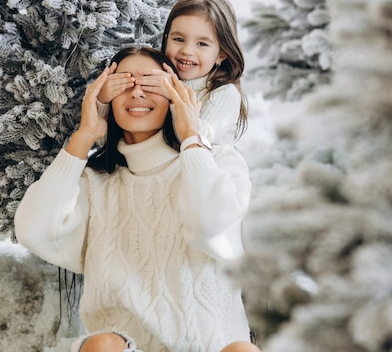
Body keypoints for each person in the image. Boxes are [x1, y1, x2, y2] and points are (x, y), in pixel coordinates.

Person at [15, 47, 261, 352]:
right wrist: (85, 134)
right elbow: (33, 231)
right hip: (126, 346)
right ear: (107, 100)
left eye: (152, 82)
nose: (138, 92)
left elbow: (208, 227)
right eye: (123, 83)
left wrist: (192, 138)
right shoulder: (94, 183)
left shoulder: (218, 161)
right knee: (103, 345)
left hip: (214, 348)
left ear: (175, 95)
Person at [96, 0, 247, 146]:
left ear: (221, 54)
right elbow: (104, 140)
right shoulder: (157, 83)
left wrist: (175, 94)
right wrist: (103, 100)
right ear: (166, 39)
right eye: (178, 39)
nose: (187, 51)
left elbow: (198, 139)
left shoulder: (225, 94)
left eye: (202, 44)